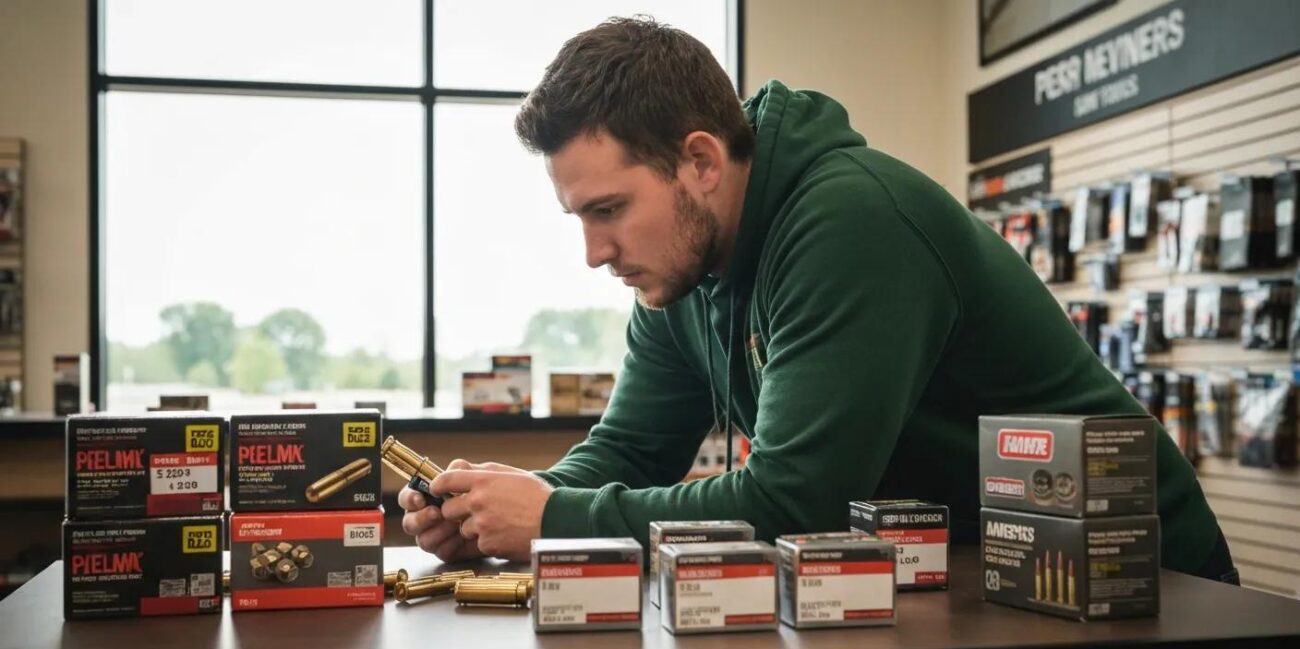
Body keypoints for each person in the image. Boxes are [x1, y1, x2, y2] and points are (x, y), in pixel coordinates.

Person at [399, 16, 1238, 584]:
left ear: (699, 161)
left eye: (609, 210)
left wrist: (553, 516)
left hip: (1131, 576)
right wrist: (494, 506)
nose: (594, 253)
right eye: (579, 218)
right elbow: (630, 447)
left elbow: (795, 502)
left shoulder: (849, 222)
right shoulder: (680, 271)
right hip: (975, 576)